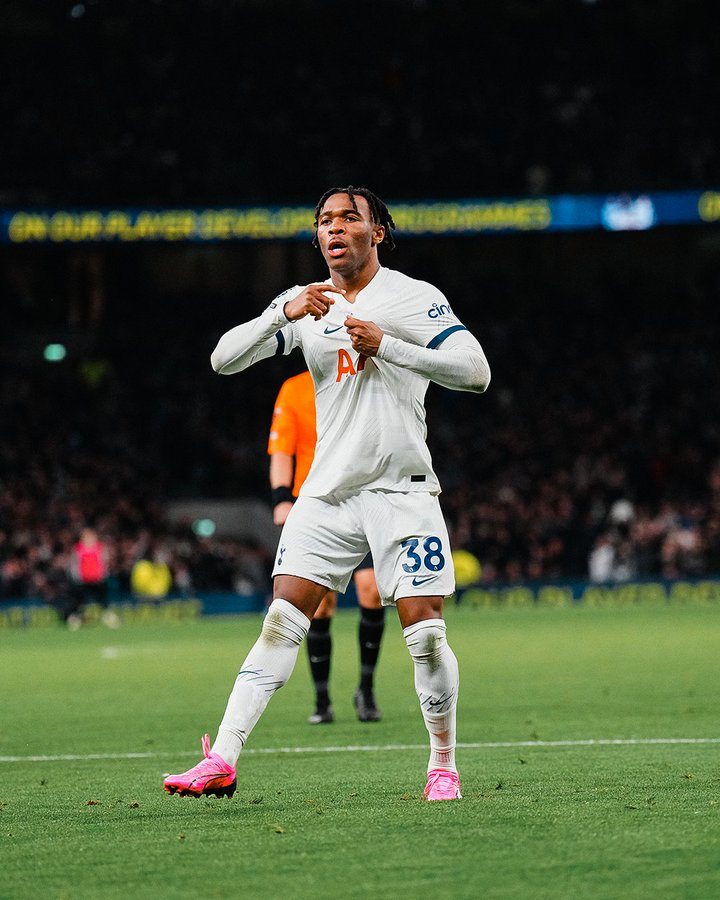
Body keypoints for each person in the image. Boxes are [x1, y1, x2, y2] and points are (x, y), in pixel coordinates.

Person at [164, 185, 490, 802]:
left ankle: (442, 763)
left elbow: (477, 372)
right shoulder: (305, 303)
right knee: (281, 622)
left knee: (424, 634)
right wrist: (278, 316)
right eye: (324, 220)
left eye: (349, 218)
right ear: (317, 238)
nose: (334, 227)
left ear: (377, 233)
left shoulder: (414, 298)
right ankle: (223, 760)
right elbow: (222, 360)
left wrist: (387, 345)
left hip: (402, 488)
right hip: (329, 493)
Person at [269, 369, 385, 724]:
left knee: (372, 591)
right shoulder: (294, 388)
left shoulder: (360, 374)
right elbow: (281, 449)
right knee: (320, 604)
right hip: (313, 503)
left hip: (359, 500)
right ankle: (322, 700)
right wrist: (280, 498)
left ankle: (365, 689)